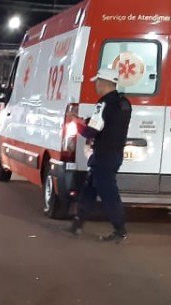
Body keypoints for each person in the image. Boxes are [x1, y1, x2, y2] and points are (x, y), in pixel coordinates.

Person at [69, 68, 132, 243]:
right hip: (115, 154)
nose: (96, 85)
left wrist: (76, 124)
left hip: (103, 155)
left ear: (103, 83)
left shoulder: (103, 104)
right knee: (90, 190)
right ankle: (77, 224)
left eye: (97, 82)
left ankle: (120, 231)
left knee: (109, 194)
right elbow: (108, 123)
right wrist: (84, 120)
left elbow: (92, 132)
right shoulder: (124, 103)